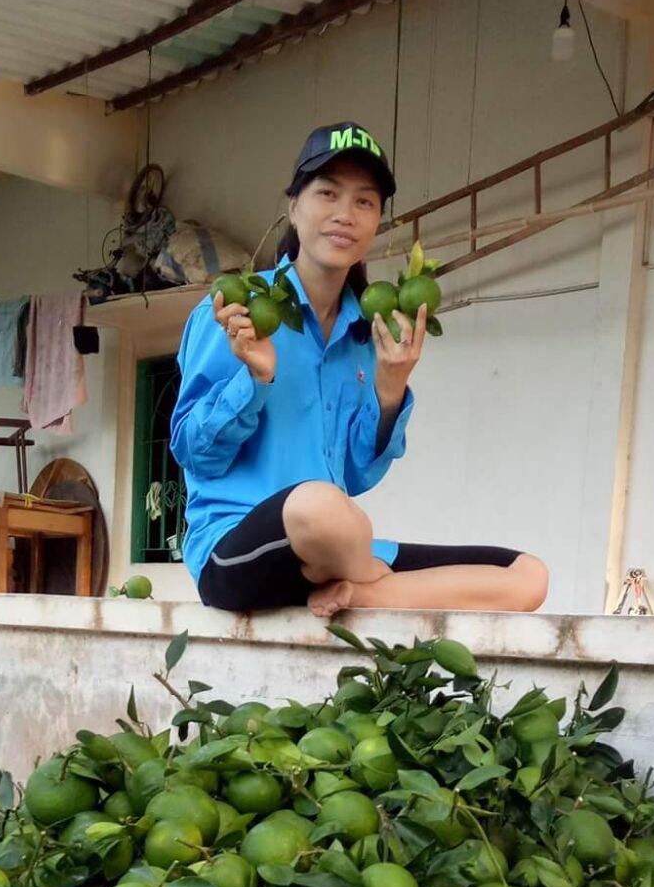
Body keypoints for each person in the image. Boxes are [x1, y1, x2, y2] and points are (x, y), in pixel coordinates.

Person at [170, 120, 549, 619]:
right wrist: (255, 378)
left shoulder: (366, 332)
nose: (344, 215)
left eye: (364, 202)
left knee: (526, 576)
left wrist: (391, 388)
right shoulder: (238, 311)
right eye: (328, 193)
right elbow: (195, 454)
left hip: (338, 551)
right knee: (320, 506)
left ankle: (362, 595)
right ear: (294, 207)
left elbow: (355, 473)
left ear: (377, 223)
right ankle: (378, 582)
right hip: (237, 550)